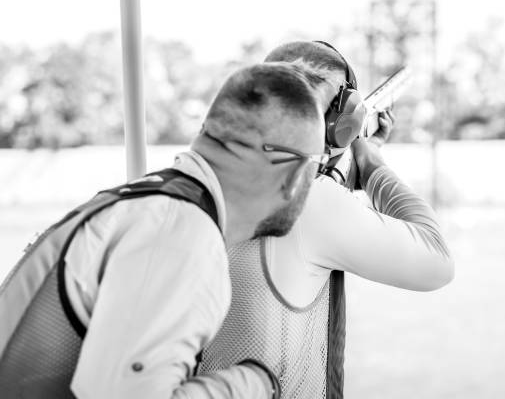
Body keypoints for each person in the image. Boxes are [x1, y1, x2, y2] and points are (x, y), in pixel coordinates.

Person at [0, 62, 328, 399]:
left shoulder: (153, 203)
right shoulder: (180, 234)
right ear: (294, 175)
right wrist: (253, 383)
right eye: (317, 165)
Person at [197, 41, 454, 398]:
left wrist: (338, 168)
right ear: (341, 121)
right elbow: (437, 262)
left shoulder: (204, 177)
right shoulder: (311, 201)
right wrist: (371, 161)